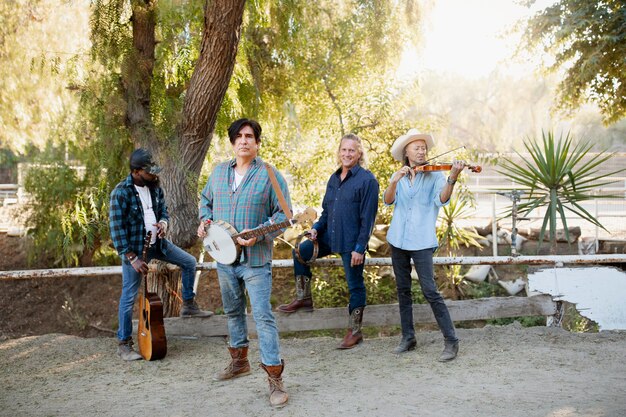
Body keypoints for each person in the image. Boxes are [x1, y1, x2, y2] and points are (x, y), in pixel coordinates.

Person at [197, 118, 290, 407]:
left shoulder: (270, 175)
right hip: (223, 259)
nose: (244, 141)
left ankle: (275, 380)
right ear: (233, 142)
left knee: (263, 317)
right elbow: (205, 201)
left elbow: (284, 216)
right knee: (233, 311)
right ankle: (239, 362)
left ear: (257, 142)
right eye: (238, 136)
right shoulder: (219, 172)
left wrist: (260, 236)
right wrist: (204, 221)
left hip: (256, 260)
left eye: (249, 136)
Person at [109, 148, 213, 362]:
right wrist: (132, 257)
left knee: (189, 262)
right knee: (129, 297)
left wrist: (164, 223)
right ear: (137, 172)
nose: (155, 175)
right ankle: (124, 344)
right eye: (150, 172)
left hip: (158, 244)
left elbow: (163, 211)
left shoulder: (155, 188)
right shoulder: (121, 192)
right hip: (135, 251)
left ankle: (189, 305)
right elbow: (116, 229)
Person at [278, 133, 379, 350]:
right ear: (339, 152)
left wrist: (360, 248)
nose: (347, 154)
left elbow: (368, 220)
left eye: (352, 150)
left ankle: (354, 332)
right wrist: (315, 229)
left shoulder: (368, 180)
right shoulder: (334, 179)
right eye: (344, 149)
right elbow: (326, 212)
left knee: (355, 286)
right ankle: (304, 297)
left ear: (359, 153)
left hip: (352, 243)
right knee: (300, 251)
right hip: (329, 236)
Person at [383, 128, 465, 361]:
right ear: (406, 152)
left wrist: (452, 177)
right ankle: (408, 338)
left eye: (424, 148)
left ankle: (451, 341)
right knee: (403, 290)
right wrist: (394, 180)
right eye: (417, 148)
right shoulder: (398, 175)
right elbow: (388, 201)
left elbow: (442, 199)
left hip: (421, 241)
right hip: (398, 239)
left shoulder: (435, 175)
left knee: (430, 290)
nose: (422, 151)